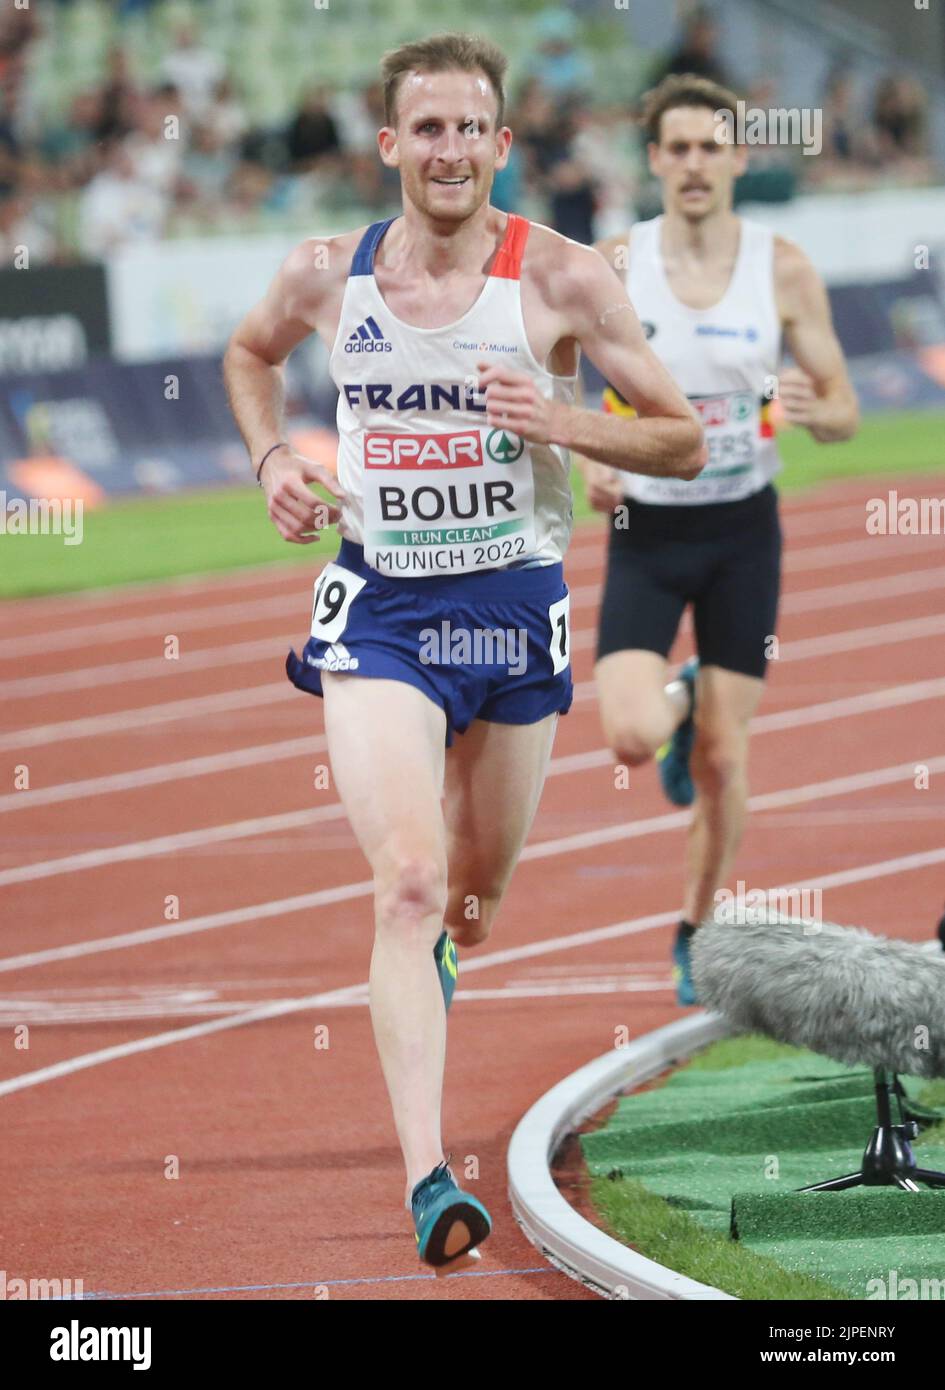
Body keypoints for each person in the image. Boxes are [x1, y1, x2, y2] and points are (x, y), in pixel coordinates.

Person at [223, 33, 704, 1271]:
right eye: (423, 129)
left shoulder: (563, 279)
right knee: (409, 884)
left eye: (468, 129)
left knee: (475, 908)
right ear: (390, 144)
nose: (447, 151)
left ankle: (446, 940)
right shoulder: (329, 274)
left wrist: (563, 419)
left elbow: (685, 439)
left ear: (500, 142)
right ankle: (429, 1175)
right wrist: (276, 460)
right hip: (380, 612)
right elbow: (248, 354)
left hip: (511, 610)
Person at [579, 74, 859, 1007]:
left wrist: (823, 413)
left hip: (744, 530)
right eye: (677, 149)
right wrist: (591, 451)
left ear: (738, 157)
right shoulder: (614, 263)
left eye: (711, 148)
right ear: (653, 159)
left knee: (723, 761)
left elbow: (843, 407)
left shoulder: (780, 266)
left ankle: (695, 931)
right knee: (626, 734)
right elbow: (549, 367)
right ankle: (683, 691)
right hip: (646, 531)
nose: (694, 165)